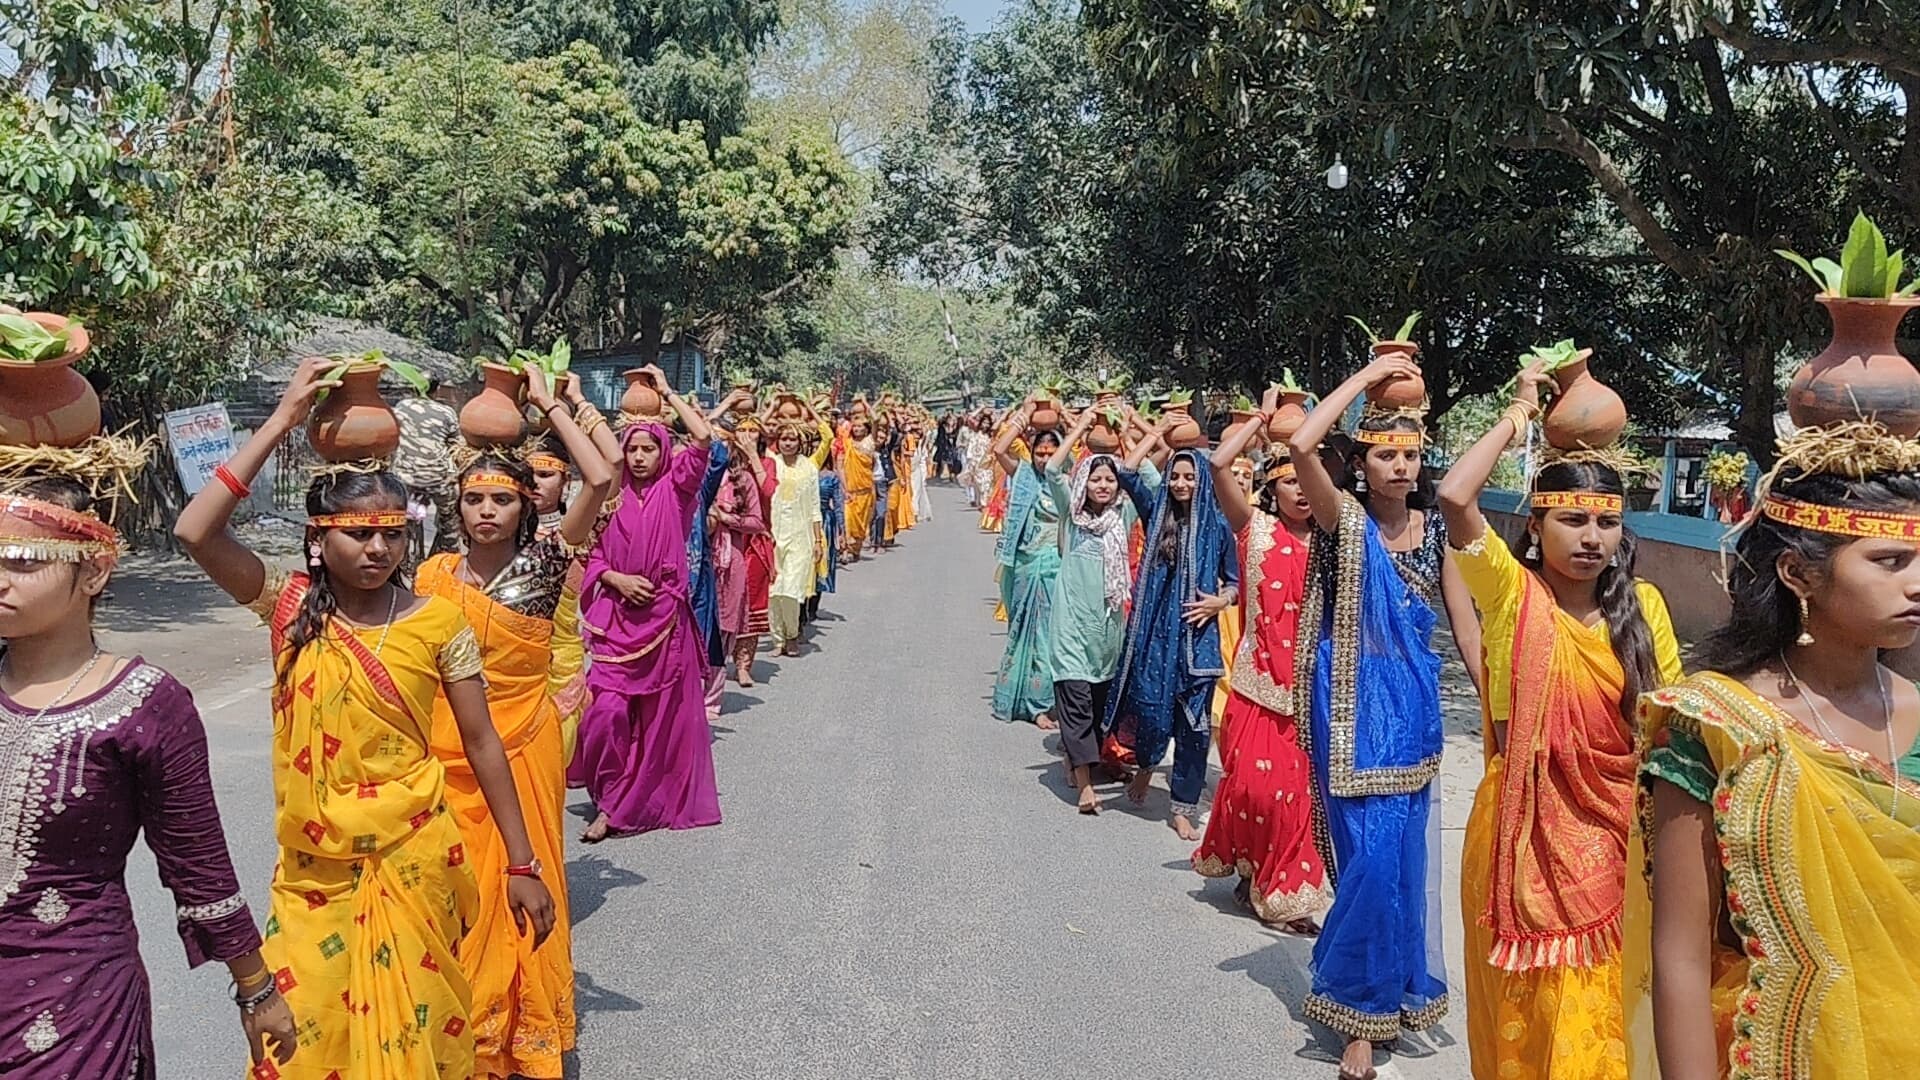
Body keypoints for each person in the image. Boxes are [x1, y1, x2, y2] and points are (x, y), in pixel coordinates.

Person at [175, 357, 557, 1078]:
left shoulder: (438, 622)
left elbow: (482, 743)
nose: (378, 548)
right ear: (318, 540)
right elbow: (196, 532)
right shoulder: (290, 612)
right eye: (357, 533)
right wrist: (283, 420)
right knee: (306, 1038)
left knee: (419, 1033)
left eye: (391, 532)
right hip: (315, 873)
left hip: (416, 858)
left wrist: (520, 862)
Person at [1625, 422, 1920, 1080]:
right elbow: (1680, 957)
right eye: (1890, 561)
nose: (1917, 582)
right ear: (1797, 572)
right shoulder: (1717, 724)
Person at [0, 475, 297, 1078]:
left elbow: (198, 864)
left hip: (74, 999)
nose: (1, 579)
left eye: (25, 562)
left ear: (93, 572)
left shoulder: (145, 704)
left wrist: (256, 987)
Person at [1436, 364, 1682, 1080]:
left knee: (1600, 1016)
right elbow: (1454, 495)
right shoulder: (1510, 594)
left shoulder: (1645, 609)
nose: (1591, 538)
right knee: (1532, 1016)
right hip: (1521, 835)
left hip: (1615, 837)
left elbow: (1669, 731)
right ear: (1535, 526)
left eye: (1607, 522)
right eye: (1572, 520)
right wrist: (1519, 412)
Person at [414, 367, 613, 1080]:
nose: (487, 511)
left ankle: (517, 1038)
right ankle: (459, 1030)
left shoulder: (548, 562)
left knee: (518, 886)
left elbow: (601, 475)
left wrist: (552, 405)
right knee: (457, 892)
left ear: (525, 505)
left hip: (523, 744)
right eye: (474, 499)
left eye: (502, 498)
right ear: (457, 506)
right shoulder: (432, 576)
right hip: (446, 753)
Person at [1286, 353, 1479, 1080]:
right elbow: (1301, 443)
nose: (1400, 466)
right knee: (1367, 858)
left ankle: (1380, 994)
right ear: (1361, 462)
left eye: (1411, 455)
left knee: (1399, 860)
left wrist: (1495, 707)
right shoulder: (1341, 519)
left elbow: (1464, 626)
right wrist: (1367, 381)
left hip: (1413, 709)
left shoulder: (1436, 532)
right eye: (1385, 454)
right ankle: (1357, 1010)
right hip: (1348, 707)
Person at [1192, 391, 1327, 933]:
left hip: (1312, 691)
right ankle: (1251, 869)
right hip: (1255, 687)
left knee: (1295, 799)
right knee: (1253, 791)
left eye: (1307, 479)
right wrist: (1259, 422)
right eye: (1290, 481)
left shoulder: (1333, 540)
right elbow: (1218, 464)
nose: (1301, 491)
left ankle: (1285, 895)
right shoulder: (1256, 531)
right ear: (1273, 486)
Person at [567, 375, 721, 842]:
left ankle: (619, 806)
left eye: (648, 449)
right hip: (616, 622)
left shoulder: (677, 490)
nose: (638, 457)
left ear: (662, 451)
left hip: (663, 622)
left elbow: (702, 437)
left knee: (656, 724)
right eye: (631, 449)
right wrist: (614, 579)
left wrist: (669, 392)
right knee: (606, 713)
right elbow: (590, 553)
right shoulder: (607, 498)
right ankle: (609, 790)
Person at [1107, 444, 1239, 841]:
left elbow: (1235, 582)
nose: (1181, 484)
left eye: (1190, 477)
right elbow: (1126, 473)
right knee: (1151, 714)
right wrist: (1159, 434)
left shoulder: (1218, 526)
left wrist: (1219, 602)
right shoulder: (1157, 514)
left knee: (1194, 729)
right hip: (1155, 641)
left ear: (1203, 481)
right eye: (1175, 476)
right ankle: (1147, 767)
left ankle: (1183, 806)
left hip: (1198, 644)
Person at [1047, 407, 1162, 815]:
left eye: (1110, 479)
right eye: (1095, 478)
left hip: (1109, 632)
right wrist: (1080, 426)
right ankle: (1084, 787)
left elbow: (1152, 480)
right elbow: (1053, 470)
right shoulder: (1072, 515)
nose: (1102, 485)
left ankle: (1076, 757)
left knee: (1100, 707)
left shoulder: (1123, 515)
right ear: (1084, 482)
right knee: (1075, 701)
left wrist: (1127, 436)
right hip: (1070, 627)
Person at [990, 397, 1064, 729]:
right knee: (1023, 632)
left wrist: (1064, 415)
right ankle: (1027, 702)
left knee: (1049, 636)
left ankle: (1043, 701)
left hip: (1055, 568)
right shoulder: (1023, 475)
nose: (1045, 459)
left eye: (1051, 453)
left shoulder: (1067, 481)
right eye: (1040, 453)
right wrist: (1026, 414)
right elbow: (999, 449)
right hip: (1024, 566)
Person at [711, 425, 771, 687]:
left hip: (740, 553)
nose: (716, 446)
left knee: (733, 615)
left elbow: (758, 519)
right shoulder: (697, 473)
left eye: (721, 441)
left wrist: (726, 518)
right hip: (701, 555)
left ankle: (735, 669)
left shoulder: (745, 477)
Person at [768, 420, 825, 657]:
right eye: (784, 439)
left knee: (791, 589)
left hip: (801, 538)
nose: (788, 443)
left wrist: (818, 541)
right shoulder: (771, 463)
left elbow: (814, 506)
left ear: (800, 443)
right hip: (772, 536)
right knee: (773, 591)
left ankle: (792, 635)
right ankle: (777, 639)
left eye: (792, 439)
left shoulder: (809, 468)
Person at [392, 377, 463, 556]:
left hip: (405, 478)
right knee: (450, 518)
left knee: (399, 518)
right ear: (437, 389)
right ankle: (450, 554)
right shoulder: (446, 412)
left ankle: (398, 553)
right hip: (437, 479)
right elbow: (456, 445)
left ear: (413, 388)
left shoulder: (400, 407)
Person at [841, 416, 878, 563]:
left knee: (861, 525)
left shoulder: (869, 443)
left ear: (866, 429)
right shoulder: (847, 443)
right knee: (847, 521)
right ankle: (845, 550)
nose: (856, 429)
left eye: (860, 426)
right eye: (854, 426)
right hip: (849, 490)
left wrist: (868, 406)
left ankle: (856, 549)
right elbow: (841, 465)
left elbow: (875, 420)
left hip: (865, 490)